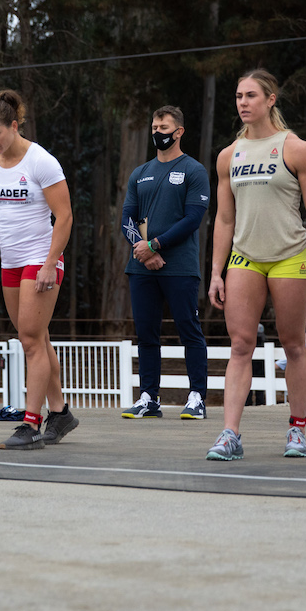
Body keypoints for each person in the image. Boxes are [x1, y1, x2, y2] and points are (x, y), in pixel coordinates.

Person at [205, 69, 306, 461]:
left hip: (290, 257)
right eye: (238, 96)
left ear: (271, 99)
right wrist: (215, 272)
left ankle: (297, 429)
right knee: (241, 345)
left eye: (251, 96)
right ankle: (230, 434)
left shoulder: (296, 149)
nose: (242, 102)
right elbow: (224, 219)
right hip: (245, 258)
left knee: (294, 344)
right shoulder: (229, 154)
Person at [0, 90, 77, 450]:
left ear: (14, 126)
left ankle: (30, 425)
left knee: (30, 340)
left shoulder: (41, 162)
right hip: (11, 262)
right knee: (37, 338)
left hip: (41, 259)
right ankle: (60, 414)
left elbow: (65, 217)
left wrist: (50, 263)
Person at [119, 105, 211, 420]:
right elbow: (126, 218)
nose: (158, 133)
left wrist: (156, 245)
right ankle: (149, 397)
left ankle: (197, 397)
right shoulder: (139, 173)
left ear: (179, 131)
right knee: (146, 333)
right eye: (155, 127)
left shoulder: (194, 170)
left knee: (189, 330)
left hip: (181, 267)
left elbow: (193, 219)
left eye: (164, 127)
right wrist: (142, 249)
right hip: (141, 267)